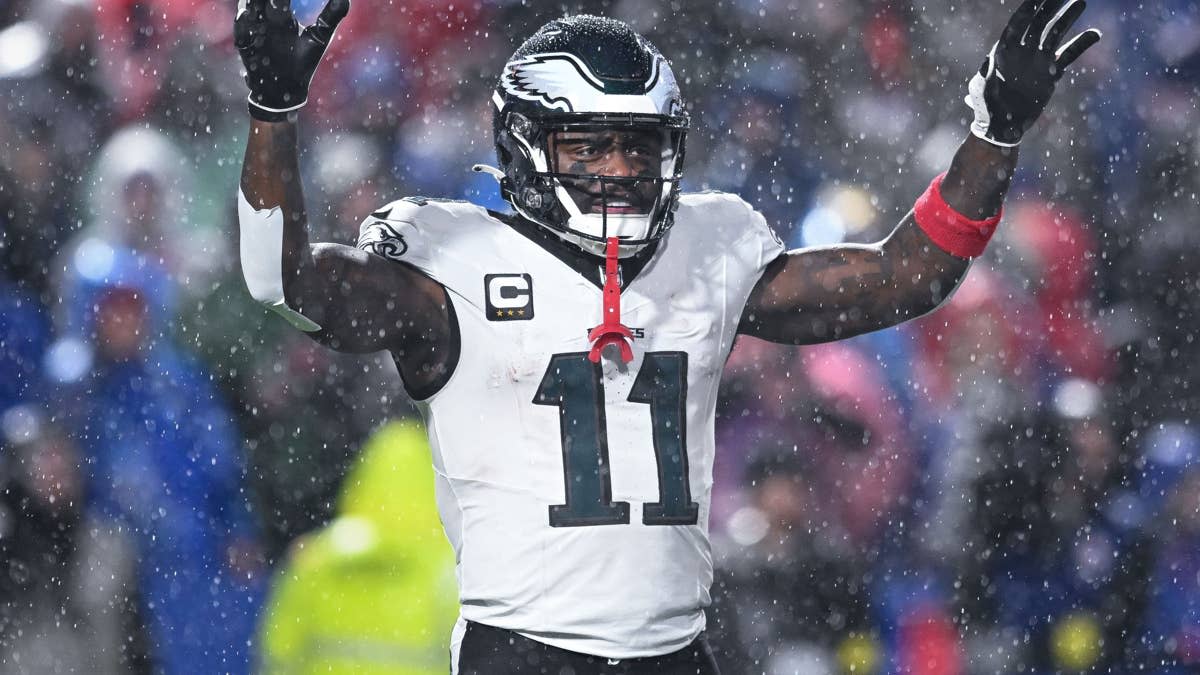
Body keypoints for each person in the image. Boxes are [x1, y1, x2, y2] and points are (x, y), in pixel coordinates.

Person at [234, 1, 1101, 672]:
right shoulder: (450, 257)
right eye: (592, 147)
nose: (619, 170)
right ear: (527, 142)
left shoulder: (705, 244)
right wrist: (273, 114)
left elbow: (907, 276)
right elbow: (285, 281)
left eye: (638, 149)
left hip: (676, 647)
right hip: (525, 651)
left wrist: (993, 134)